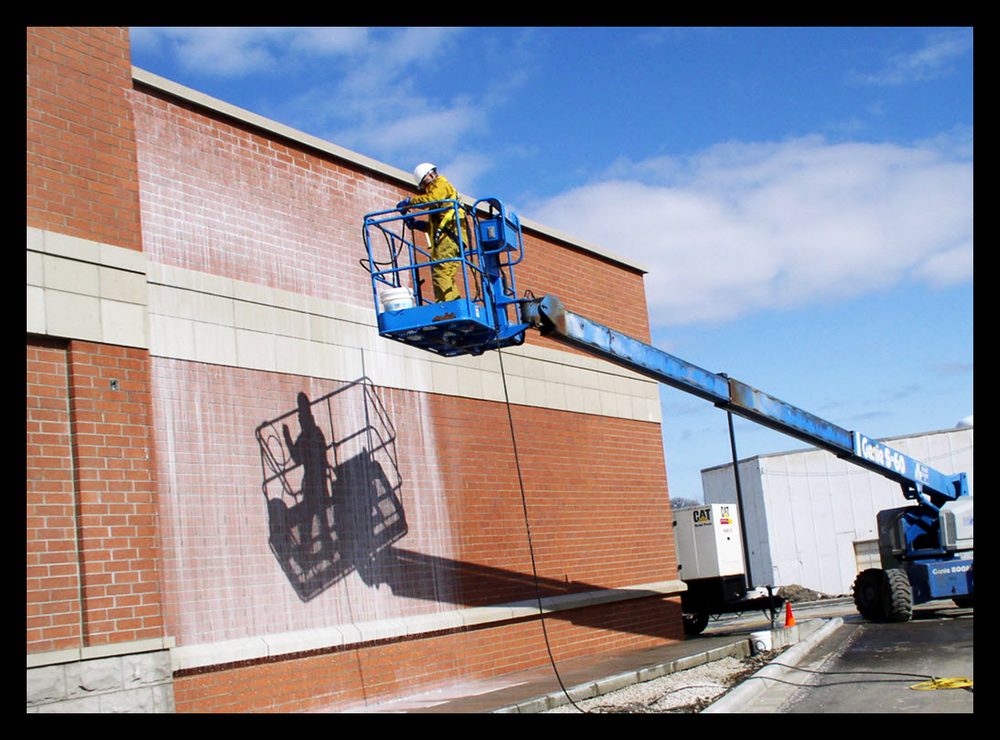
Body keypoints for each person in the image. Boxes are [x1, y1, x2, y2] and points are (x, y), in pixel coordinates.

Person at [399, 163, 471, 302]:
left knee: (441, 272)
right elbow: (438, 225)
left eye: (425, 183)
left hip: (449, 238)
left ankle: (447, 307)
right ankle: (453, 303)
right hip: (449, 237)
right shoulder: (439, 194)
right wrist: (418, 225)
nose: (425, 188)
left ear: (431, 175)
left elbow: (431, 199)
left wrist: (409, 202)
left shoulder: (440, 184)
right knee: (445, 273)